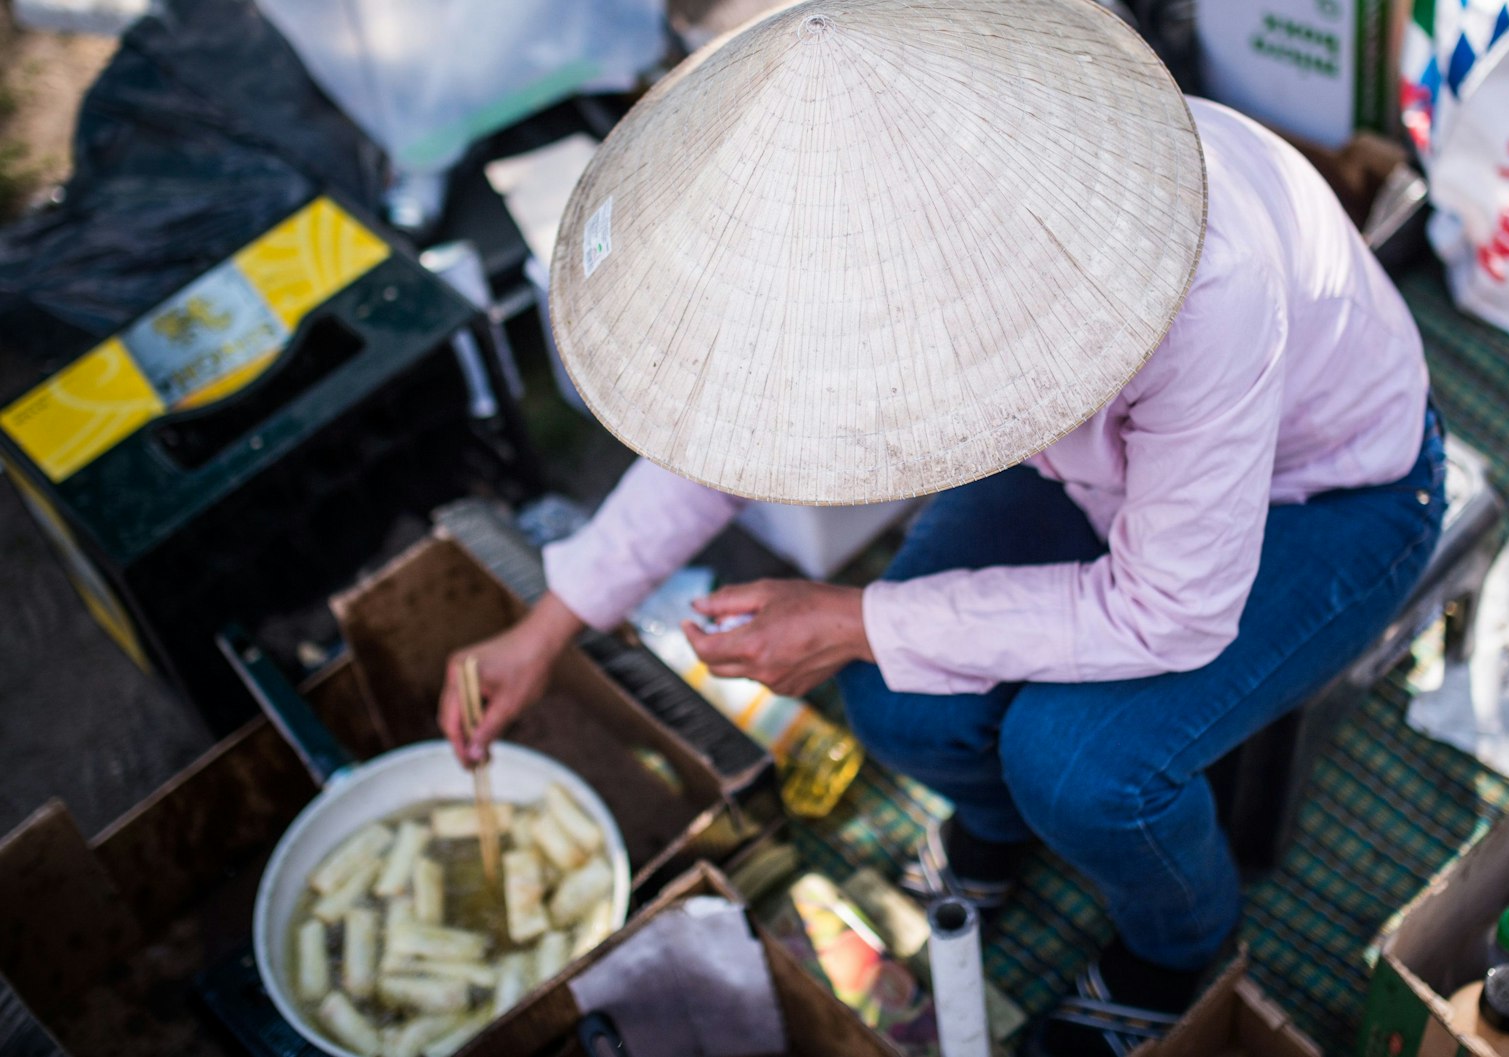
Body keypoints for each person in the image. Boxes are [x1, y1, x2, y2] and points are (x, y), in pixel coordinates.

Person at [439, 2, 1443, 1053]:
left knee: (1076, 765)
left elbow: (1170, 610)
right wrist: (548, 625)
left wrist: (856, 618)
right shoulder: (873, 238)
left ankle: (1179, 943)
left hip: (1331, 494)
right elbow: (728, 428)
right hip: (1097, 476)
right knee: (896, 697)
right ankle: (997, 826)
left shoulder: (1203, 276)